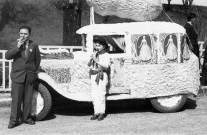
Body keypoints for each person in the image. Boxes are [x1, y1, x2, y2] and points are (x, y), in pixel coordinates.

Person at [5, 26, 41, 129]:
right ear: (19, 34)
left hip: (29, 75)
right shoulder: (14, 44)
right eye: (21, 33)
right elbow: (7, 56)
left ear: (29, 35)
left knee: (28, 99)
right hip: (18, 76)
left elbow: (37, 60)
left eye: (25, 34)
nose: (23, 36)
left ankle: (27, 118)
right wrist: (17, 47)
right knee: (16, 100)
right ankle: (13, 120)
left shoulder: (34, 45)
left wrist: (34, 71)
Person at [88, 36, 110, 121]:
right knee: (94, 94)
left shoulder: (106, 55)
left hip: (101, 75)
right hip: (94, 75)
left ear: (104, 46)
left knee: (101, 94)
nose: (97, 47)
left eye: (99, 46)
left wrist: (96, 61)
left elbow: (106, 66)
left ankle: (102, 112)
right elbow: (89, 65)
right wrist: (91, 59)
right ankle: (96, 112)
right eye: (96, 45)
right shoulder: (95, 54)